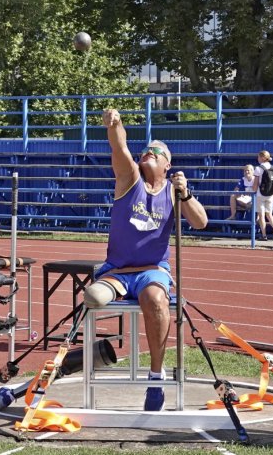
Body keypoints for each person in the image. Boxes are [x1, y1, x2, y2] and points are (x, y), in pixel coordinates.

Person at [82, 108, 208, 411]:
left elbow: (201, 222)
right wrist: (116, 124)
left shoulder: (175, 192)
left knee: (155, 300)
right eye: (146, 150)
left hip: (153, 270)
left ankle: (155, 376)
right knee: (93, 296)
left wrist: (186, 194)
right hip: (118, 271)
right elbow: (119, 146)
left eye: (156, 151)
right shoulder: (130, 180)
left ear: (167, 164)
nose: (147, 153)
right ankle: (89, 362)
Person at [252, 150, 273, 241]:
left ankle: (264, 236)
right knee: (270, 215)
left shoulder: (258, 168)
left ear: (262, 158)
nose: (258, 159)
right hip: (271, 195)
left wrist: (253, 191)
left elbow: (255, 184)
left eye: (259, 157)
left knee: (261, 215)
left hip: (261, 194)